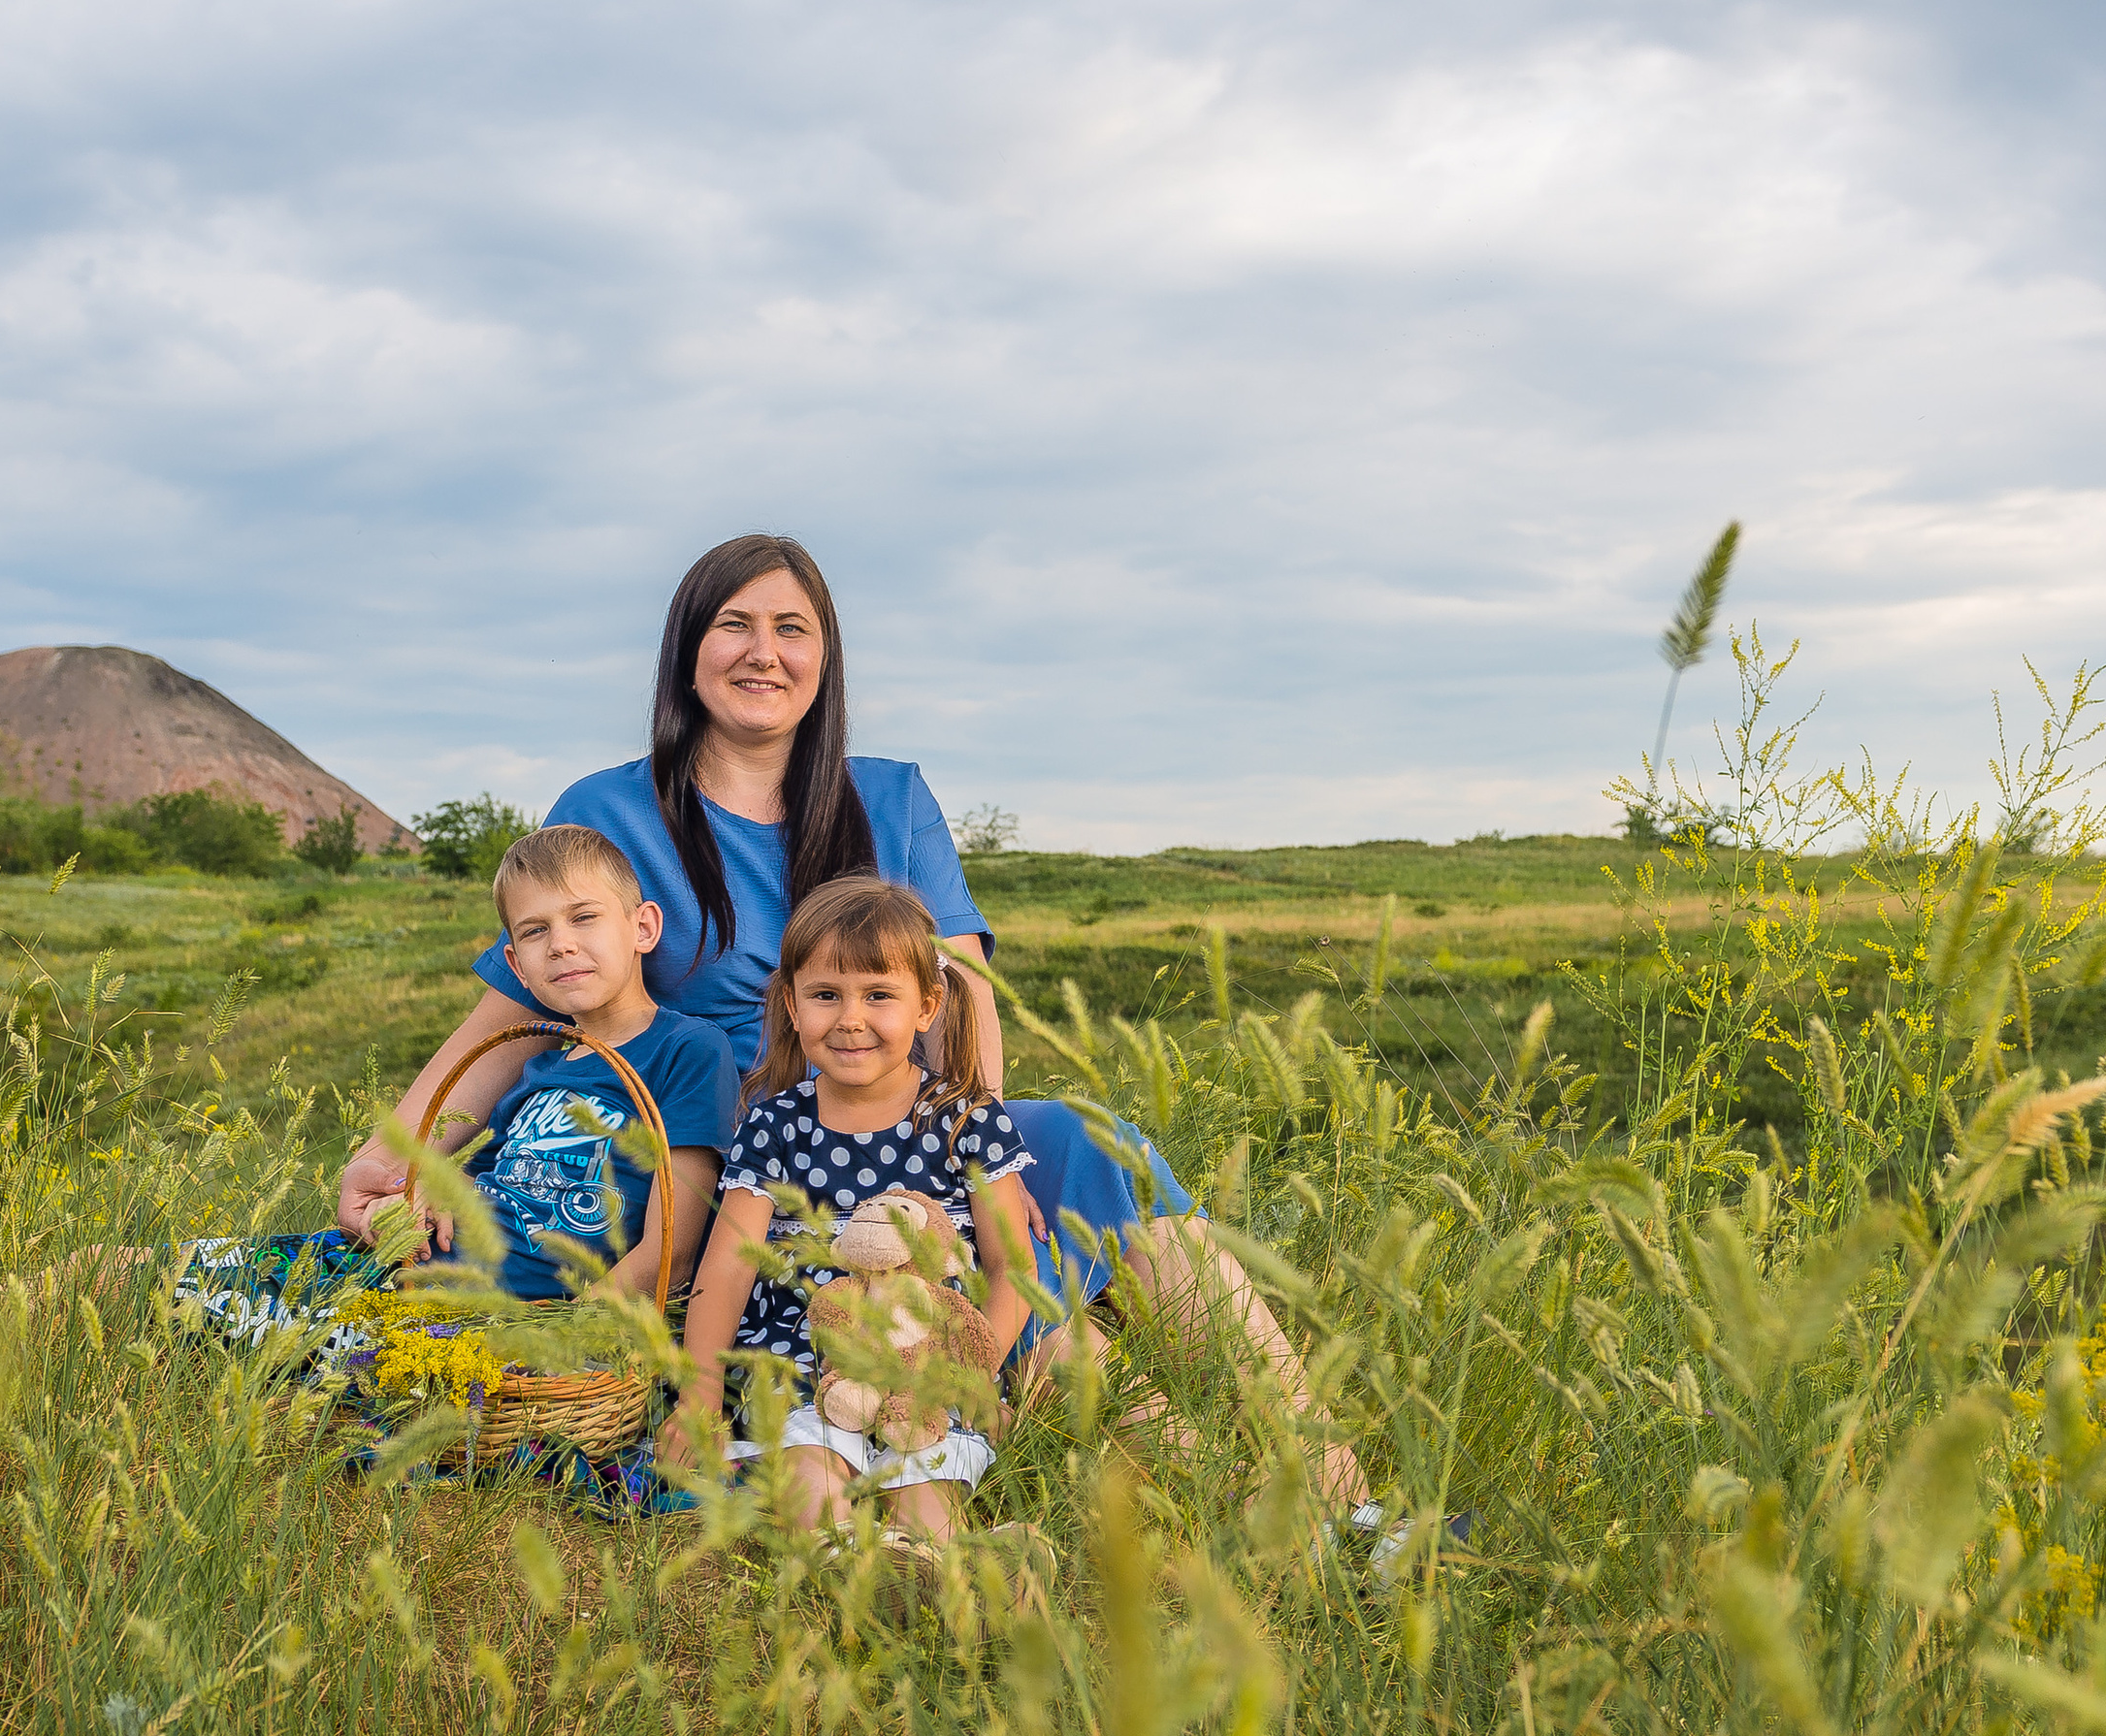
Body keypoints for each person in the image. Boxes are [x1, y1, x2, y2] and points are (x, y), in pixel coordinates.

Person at [337, 532, 1371, 1514]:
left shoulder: (889, 795)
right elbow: (511, 1010)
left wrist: (962, 1153)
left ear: (824, 658)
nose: (763, 652)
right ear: (685, 649)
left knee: (1102, 1149)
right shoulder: (609, 810)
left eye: (793, 628)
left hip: (913, 1123)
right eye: (734, 624)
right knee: (1043, 1318)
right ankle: (1249, 1508)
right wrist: (403, 1153)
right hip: (755, 1156)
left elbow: (962, 996)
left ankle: (1336, 1481)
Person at [671, 878, 1034, 1542]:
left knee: (926, 1489)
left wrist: (973, 1375)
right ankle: (841, 1562)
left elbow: (1014, 1269)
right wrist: (697, 1390)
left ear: (928, 1005)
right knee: (811, 1475)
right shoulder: (774, 1124)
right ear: (792, 1002)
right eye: (826, 995)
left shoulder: (966, 1121)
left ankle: (934, 1574)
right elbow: (726, 1269)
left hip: (929, 1359)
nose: (850, 1019)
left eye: (878, 995)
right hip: (797, 1350)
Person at [444, 825, 741, 1300]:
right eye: (535, 931)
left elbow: (672, 1251)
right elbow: (478, 1178)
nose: (560, 944)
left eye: (583, 917)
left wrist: (573, 1333)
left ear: (642, 928)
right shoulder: (538, 1071)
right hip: (433, 1282)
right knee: (290, 1278)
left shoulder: (687, 1049)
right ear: (518, 966)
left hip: (528, 1315)